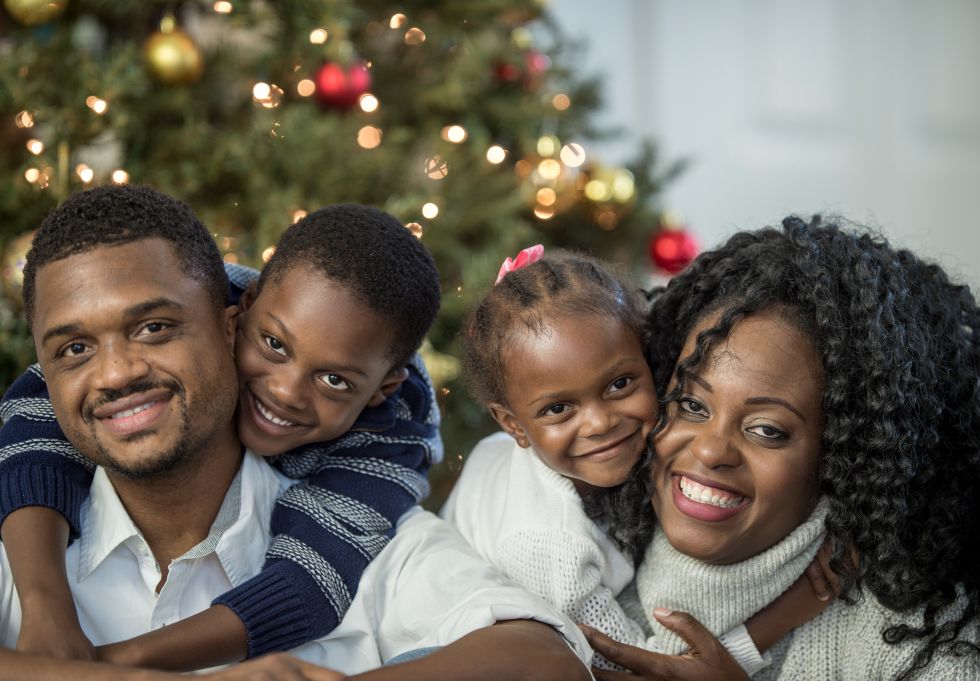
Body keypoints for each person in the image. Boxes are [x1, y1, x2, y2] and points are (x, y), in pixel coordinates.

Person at [0, 184, 592, 681]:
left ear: (224, 326)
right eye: (75, 348)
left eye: (154, 328)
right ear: (246, 316)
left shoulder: (371, 521)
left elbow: (547, 659)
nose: (116, 372)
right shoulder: (22, 527)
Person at [581, 216, 980, 680]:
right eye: (691, 403)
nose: (711, 451)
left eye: (767, 429)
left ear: (844, 456)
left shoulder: (932, 644)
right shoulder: (578, 542)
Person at [443, 248, 838, 676]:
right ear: (513, 424)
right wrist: (788, 612)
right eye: (559, 409)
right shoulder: (549, 548)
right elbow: (641, 669)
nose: (599, 423)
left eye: (619, 383)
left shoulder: (504, 453)